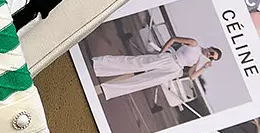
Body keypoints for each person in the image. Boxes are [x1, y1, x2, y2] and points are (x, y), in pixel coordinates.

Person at [92, 36, 222, 100]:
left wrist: (204, 67)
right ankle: (100, 65)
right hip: (169, 58)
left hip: (174, 70)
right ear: (210, 48)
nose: (209, 55)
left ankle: (109, 90)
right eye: (212, 53)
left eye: (212, 58)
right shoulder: (194, 43)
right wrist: (162, 52)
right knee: (138, 63)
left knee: (144, 81)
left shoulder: (197, 60)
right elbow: (174, 39)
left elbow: (191, 76)